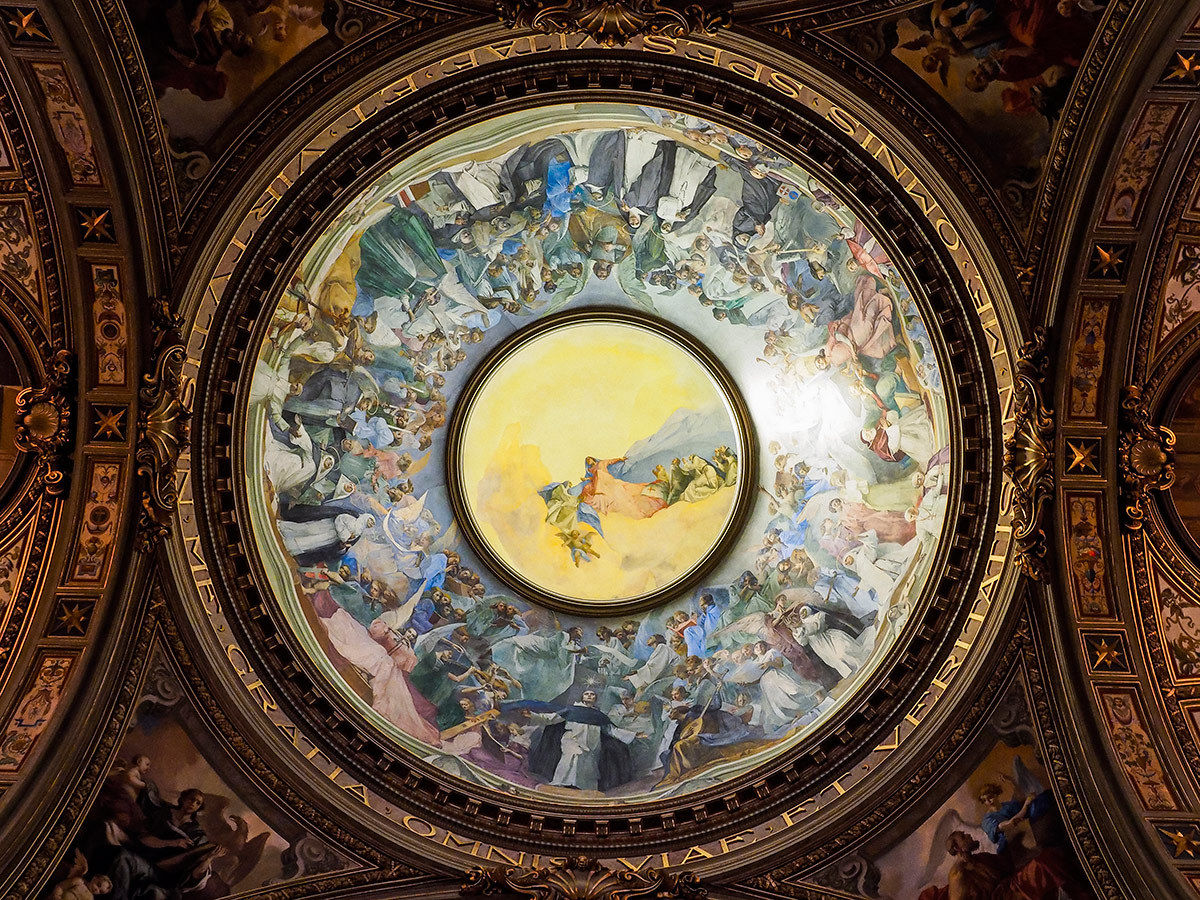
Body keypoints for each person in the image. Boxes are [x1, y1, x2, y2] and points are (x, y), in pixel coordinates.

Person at [525, 690, 644, 791]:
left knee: (588, 765)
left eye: (592, 694)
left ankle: (585, 788)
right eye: (586, 694)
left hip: (592, 744)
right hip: (572, 739)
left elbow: (611, 730)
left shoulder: (598, 715)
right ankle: (560, 783)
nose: (589, 696)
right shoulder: (572, 710)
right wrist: (533, 716)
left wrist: (633, 735)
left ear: (595, 699)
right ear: (582, 697)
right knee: (573, 756)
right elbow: (551, 719)